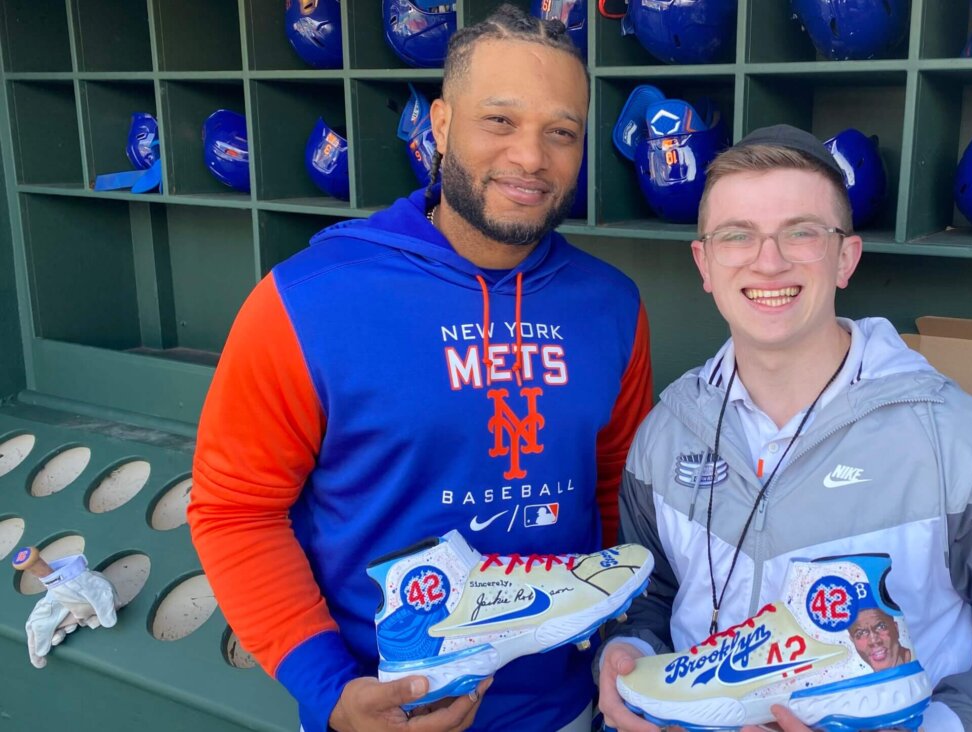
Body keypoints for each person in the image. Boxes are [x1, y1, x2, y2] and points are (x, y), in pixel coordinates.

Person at [188, 7, 652, 732]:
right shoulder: (309, 298)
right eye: (498, 121)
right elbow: (234, 510)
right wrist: (330, 689)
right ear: (439, 126)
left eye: (561, 132)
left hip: (566, 708)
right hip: (385, 709)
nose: (531, 157)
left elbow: (614, 491)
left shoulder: (612, 305)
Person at [597, 125, 972, 732]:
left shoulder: (954, 438)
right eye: (737, 235)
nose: (769, 260)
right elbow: (655, 597)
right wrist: (635, 655)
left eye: (801, 233)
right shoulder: (666, 432)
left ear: (846, 258)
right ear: (704, 262)